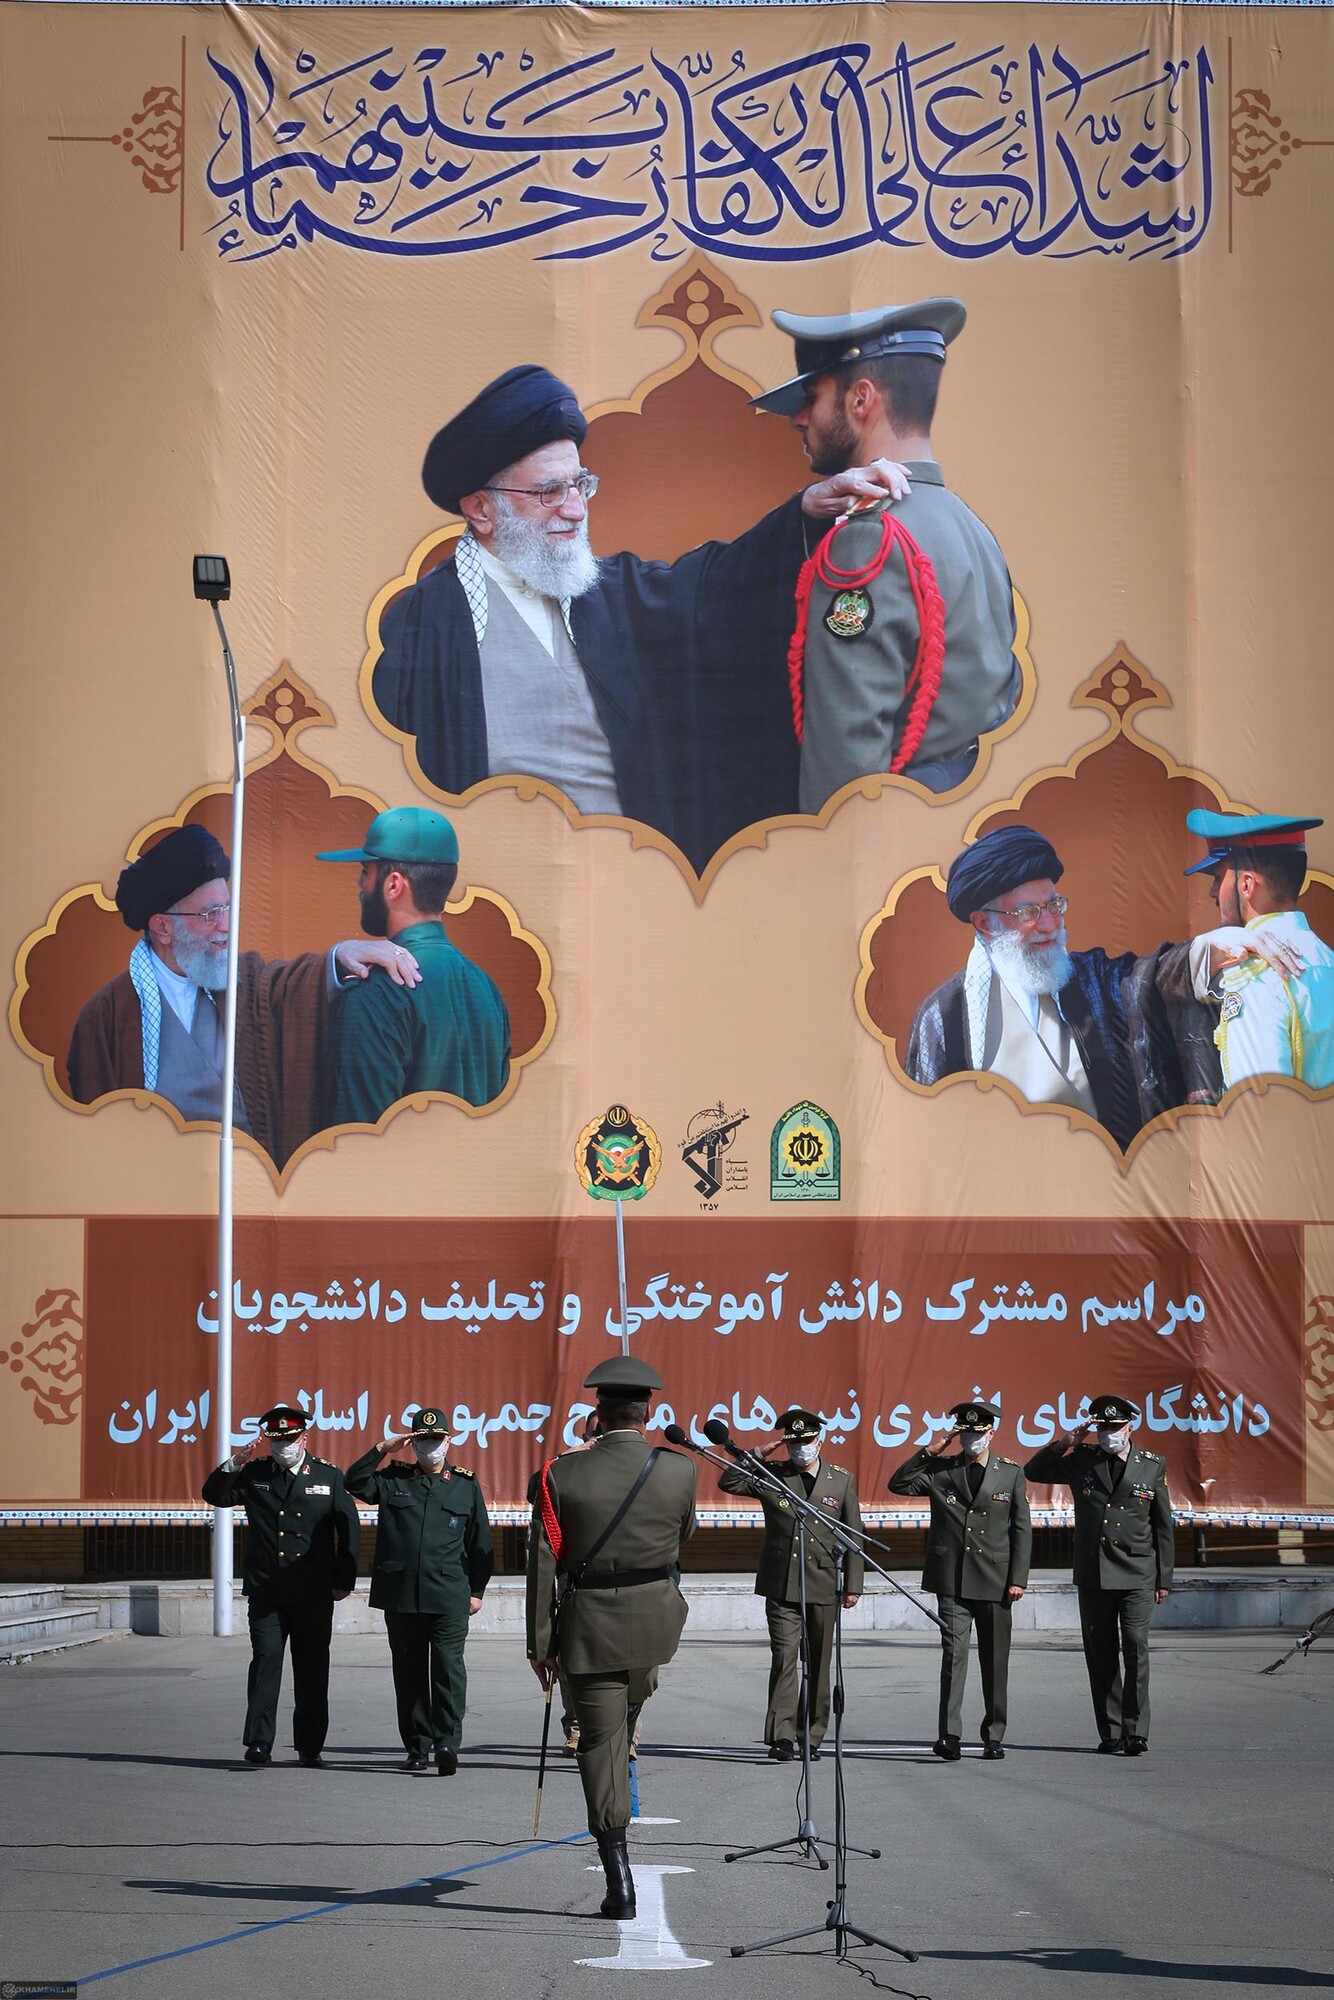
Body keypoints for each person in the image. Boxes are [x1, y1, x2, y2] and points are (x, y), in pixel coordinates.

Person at [368, 364, 909, 874]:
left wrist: (805, 511)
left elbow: (714, 588)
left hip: (628, 879)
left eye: (580, 485)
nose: (575, 509)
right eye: (550, 491)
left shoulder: (611, 592)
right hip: (498, 884)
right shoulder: (424, 624)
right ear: (481, 510)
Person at [752, 300, 1021, 811]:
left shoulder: (868, 539)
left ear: (861, 399)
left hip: (891, 834)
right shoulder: (969, 526)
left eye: (813, 396)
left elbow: (847, 759)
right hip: (961, 821)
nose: (799, 419)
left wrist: (830, 846)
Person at [66, 824, 421, 1167]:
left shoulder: (244, 979)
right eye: (210, 914)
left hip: (249, 1183)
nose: (226, 925)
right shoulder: (108, 1016)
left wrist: (341, 955)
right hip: (159, 1186)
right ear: (163, 927)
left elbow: (287, 987)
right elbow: (101, 1141)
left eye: (227, 908)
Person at [904, 824, 1225, 1152]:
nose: (1049, 925)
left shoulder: (1092, 979)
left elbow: (1152, 977)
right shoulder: (943, 1017)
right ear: (985, 924)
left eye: (1054, 906)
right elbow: (930, 1139)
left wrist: (1210, 950)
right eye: (1028, 912)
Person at [527, 1356, 697, 1920]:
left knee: (599, 1744)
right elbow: (684, 1533)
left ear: (597, 1412)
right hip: (655, 1627)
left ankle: (618, 1875)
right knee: (623, 1720)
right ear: (648, 1412)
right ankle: (619, 1843)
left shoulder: (560, 1473)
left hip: (591, 1625)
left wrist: (539, 1643)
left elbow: (543, 1563)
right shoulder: (679, 1469)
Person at [316, 806, 510, 1123]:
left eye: (365, 872)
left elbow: (361, 1137)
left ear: (393, 885)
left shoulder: (374, 993)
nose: (359, 883)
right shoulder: (487, 989)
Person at [201, 1403, 360, 1767]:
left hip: (312, 1591)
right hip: (267, 1590)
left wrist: (343, 1580)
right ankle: (259, 1741)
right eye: (276, 1440)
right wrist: (234, 1463)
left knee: (312, 1668)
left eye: (289, 1439)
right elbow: (216, 1495)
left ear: (304, 1438)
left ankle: (310, 1745)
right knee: (265, 1661)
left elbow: (348, 1529)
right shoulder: (255, 1473)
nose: (282, 1446)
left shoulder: (328, 1476)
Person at [346, 1405, 493, 1775]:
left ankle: (447, 1743)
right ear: (412, 1443)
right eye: (423, 1439)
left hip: (449, 1594)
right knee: (409, 1674)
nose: (430, 1445)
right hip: (402, 1595)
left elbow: (480, 1542)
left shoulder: (464, 1483)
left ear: (448, 1440)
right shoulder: (393, 1479)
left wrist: (477, 1591)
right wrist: (382, 1449)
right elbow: (354, 1483)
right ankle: (417, 1746)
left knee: (448, 1671)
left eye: (436, 1438)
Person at [1025, 1394, 1173, 1756]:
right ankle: (1111, 1731)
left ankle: (1136, 1731)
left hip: (1137, 1571)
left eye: (1115, 1427)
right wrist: (1066, 1442)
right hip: (1094, 1572)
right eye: (1103, 1427)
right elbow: (1034, 1471)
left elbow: (1162, 1525)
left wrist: (1163, 1578)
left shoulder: (1151, 1465)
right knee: (1101, 1653)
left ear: (1130, 1427)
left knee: (1135, 1648)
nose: (1109, 1434)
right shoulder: (1082, 1459)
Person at [887, 1400, 1031, 1762]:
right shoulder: (942, 1469)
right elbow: (899, 1483)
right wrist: (930, 1451)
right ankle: (949, 1735)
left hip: (996, 1580)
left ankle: (993, 1734)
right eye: (965, 1433)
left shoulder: (1010, 1472)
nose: (971, 1439)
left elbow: (1022, 1529)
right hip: (951, 1579)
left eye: (977, 1433)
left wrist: (1018, 1579)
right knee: (954, 1657)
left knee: (995, 1661)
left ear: (991, 1433)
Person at [717, 1407, 863, 1762]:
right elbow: (729, 1482)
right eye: (793, 1443)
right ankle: (781, 1736)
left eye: (806, 1441)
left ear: (820, 1440)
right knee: (784, 1658)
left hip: (823, 1582)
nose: (801, 1449)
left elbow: (854, 1532)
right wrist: (759, 1452)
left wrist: (853, 1584)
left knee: (819, 1662)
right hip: (781, 1583)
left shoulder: (840, 1480)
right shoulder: (774, 1475)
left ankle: (811, 1734)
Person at [1183, 810, 1333, 1087]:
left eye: (1218, 878)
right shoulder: (1327, 958)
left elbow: (1260, 1101)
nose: (1213, 892)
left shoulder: (1255, 973)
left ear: (1246, 885)